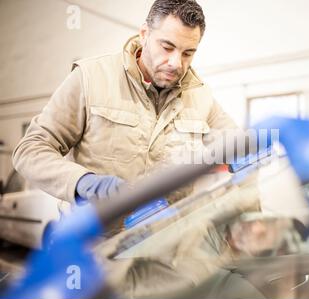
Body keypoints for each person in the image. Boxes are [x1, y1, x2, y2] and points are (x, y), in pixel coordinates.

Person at [12, 0, 237, 213]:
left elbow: (239, 144)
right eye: (167, 47)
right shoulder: (91, 78)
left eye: (188, 53)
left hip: (164, 245)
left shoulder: (200, 94)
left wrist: (247, 152)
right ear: (144, 34)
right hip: (95, 246)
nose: (176, 63)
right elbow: (31, 149)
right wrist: (83, 182)